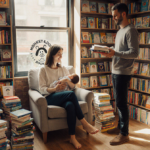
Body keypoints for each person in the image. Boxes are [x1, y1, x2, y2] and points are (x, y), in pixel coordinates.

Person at [39, 45, 99, 149]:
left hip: (64, 96)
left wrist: (67, 81)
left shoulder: (63, 69)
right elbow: (42, 89)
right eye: (58, 54)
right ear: (52, 54)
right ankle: (84, 123)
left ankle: (72, 138)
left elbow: (72, 86)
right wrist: (55, 89)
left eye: (62, 54)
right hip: (50, 97)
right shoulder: (43, 70)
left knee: (70, 105)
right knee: (71, 95)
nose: (61, 56)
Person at [96, 3, 139, 145]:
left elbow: (134, 52)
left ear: (123, 14)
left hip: (123, 72)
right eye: (112, 15)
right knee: (118, 102)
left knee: (121, 104)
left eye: (115, 15)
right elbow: (121, 50)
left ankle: (124, 134)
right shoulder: (120, 30)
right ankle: (121, 127)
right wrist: (110, 51)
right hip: (115, 70)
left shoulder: (130, 30)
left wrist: (116, 53)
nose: (113, 18)